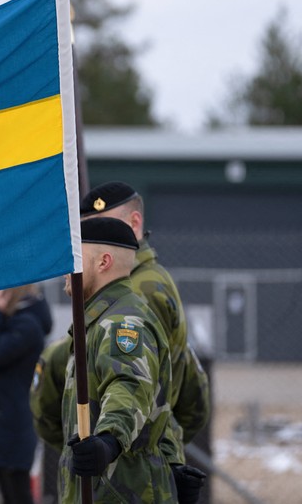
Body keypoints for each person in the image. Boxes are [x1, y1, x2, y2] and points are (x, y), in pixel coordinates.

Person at [80, 182, 210, 503]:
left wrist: (160, 454)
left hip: (129, 464)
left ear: (134, 223)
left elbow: (144, 387)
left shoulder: (142, 290)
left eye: (102, 224)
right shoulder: (128, 286)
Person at [33, 217, 176, 503]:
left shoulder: (122, 323)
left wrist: (108, 441)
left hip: (118, 490)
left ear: (103, 262)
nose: (67, 266)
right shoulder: (97, 322)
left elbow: (129, 385)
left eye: (76, 256)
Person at [0, 284, 53, 504]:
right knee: (10, 491)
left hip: (11, 424)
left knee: (16, 491)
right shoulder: (18, 322)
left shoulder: (26, 326)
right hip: (5, 422)